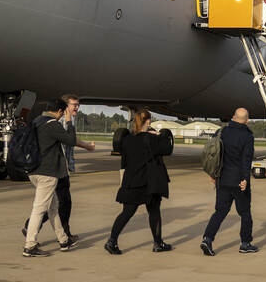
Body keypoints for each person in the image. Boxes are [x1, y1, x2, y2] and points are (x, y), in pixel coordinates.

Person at [105, 108, 174, 254]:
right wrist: (160, 135)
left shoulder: (127, 140)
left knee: (126, 212)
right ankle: (157, 243)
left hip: (132, 181)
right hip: (149, 182)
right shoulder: (151, 139)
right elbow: (167, 149)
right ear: (148, 121)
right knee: (154, 211)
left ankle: (112, 240)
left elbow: (124, 162)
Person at [30, 94, 95, 242]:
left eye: (78, 104)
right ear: (63, 108)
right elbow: (71, 139)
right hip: (53, 169)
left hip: (57, 168)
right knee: (53, 205)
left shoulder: (43, 120)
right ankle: (31, 237)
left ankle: (63, 238)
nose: (77, 107)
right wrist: (87, 146)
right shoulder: (57, 122)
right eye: (74, 105)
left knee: (57, 205)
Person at [22, 99, 78, 257]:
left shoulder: (37, 121)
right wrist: (69, 121)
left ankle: (63, 240)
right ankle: (30, 245)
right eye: (63, 113)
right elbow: (71, 140)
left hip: (33, 170)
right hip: (47, 173)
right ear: (60, 111)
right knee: (39, 209)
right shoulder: (53, 124)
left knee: (53, 207)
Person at [200, 108, 259, 255]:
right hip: (239, 180)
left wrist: (213, 174)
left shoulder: (221, 132)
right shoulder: (247, 136)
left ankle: (207, 238)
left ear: (233, 117)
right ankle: (245, 243)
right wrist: (245, 179)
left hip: (222, 179)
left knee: (220, 211)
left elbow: (213, 154)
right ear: (247, 120)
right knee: (245, 213)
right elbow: (246, 160)